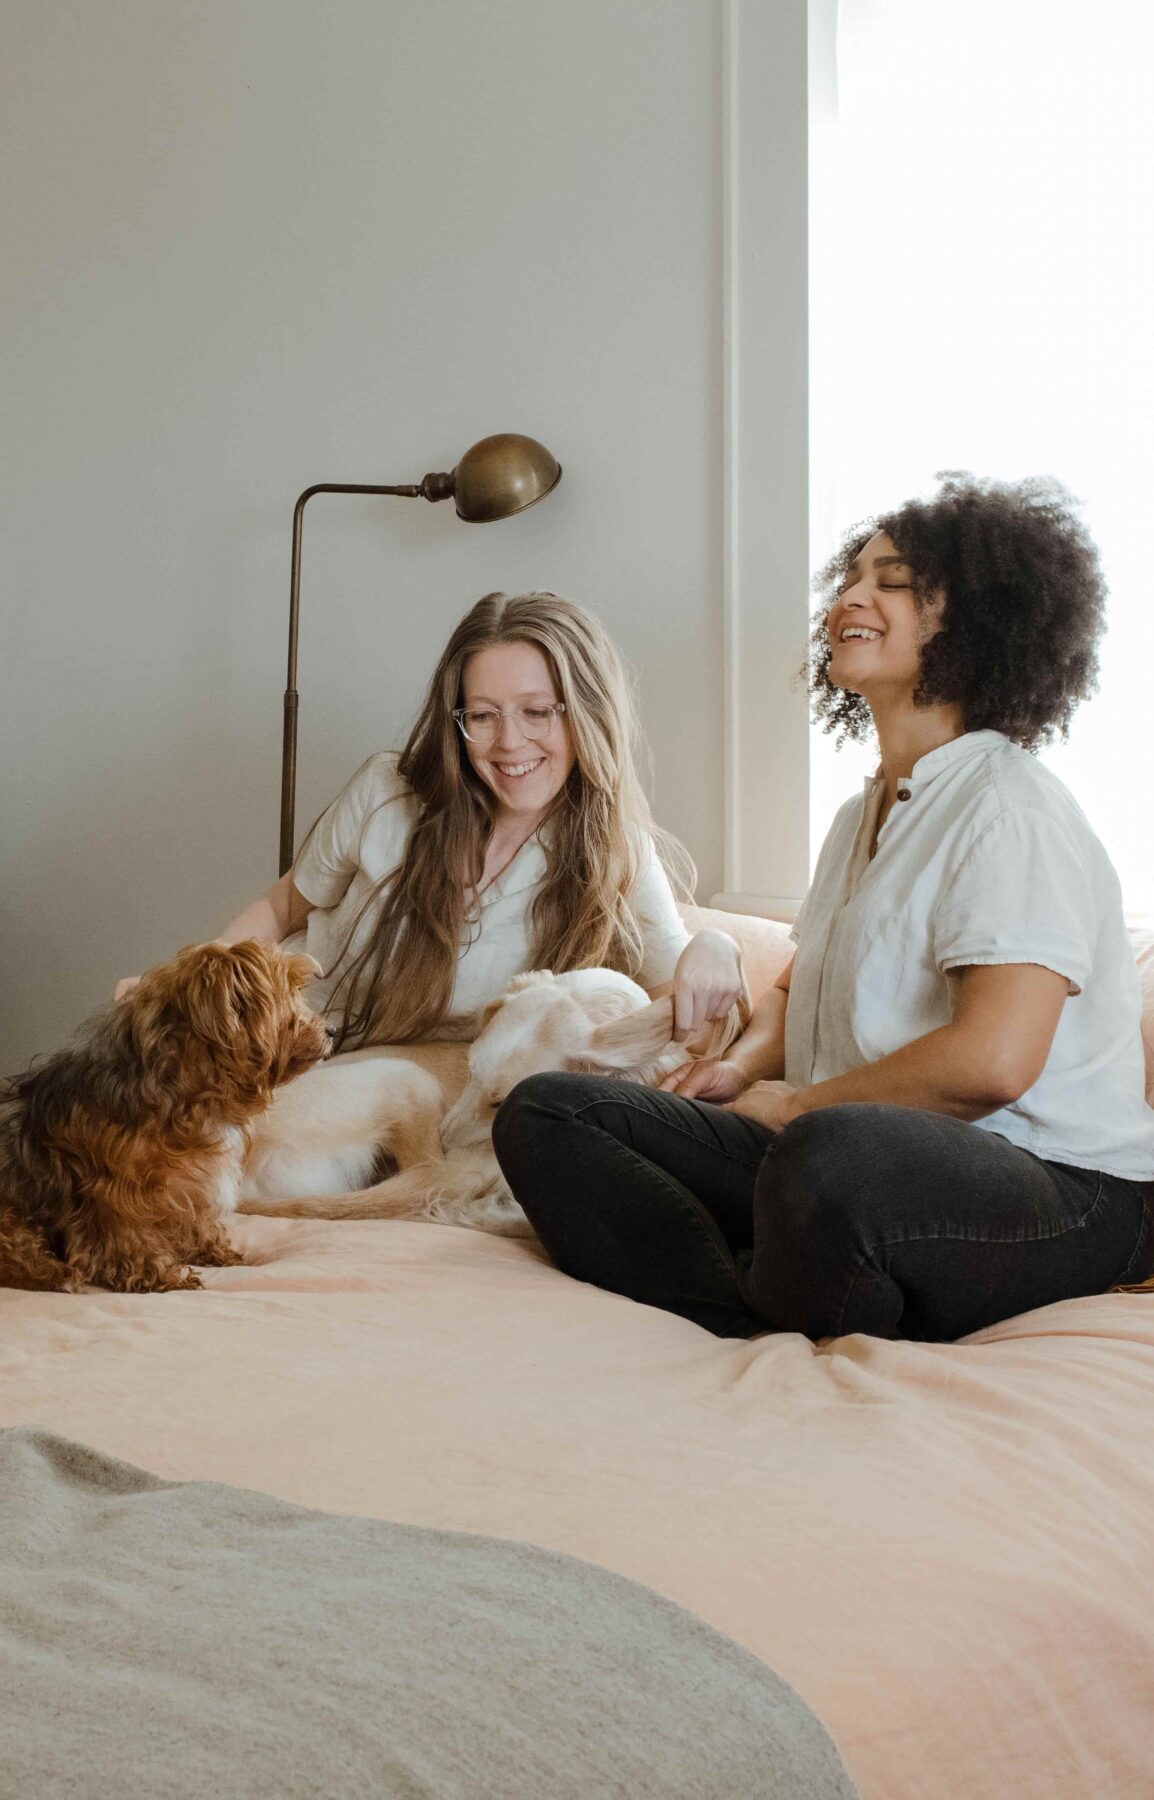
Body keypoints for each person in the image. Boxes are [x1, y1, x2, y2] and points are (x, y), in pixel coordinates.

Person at [492, 476, 1154, 1342]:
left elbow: (993, 1061)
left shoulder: (1009, 806)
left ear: (976, 619)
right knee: (549, 1113)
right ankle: (744, 1309)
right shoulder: (863, 814)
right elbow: (799, 983)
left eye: (891, 580)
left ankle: (792, 1275)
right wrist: (740, 1071)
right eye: (851, 576)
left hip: (1062, 1188)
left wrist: (798, 1107)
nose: (850, 596)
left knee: (827, 1158)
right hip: (843, 1152)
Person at [117, 591, 743, 1049]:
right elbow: (284, 910)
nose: (509, 743)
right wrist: (181, 991)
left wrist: (717, 945)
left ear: (585, 714)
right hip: (291, 1048)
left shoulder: (616, 848)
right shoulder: (387, 791)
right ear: (457, 720)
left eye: (536, 711)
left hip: (422, 1092)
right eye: (484, 715)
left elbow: (678, 1006)